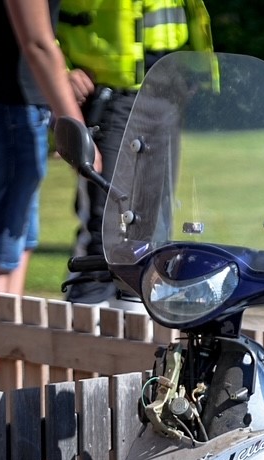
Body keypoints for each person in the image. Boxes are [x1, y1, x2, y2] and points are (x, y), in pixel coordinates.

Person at [56, 0, 213, 306]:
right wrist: (60, 71)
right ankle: (80, 340)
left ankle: (135, 340)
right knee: (106, 234)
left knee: (151, 233)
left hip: (167, 88)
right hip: (111, 96)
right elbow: (30, 18)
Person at [0, 0, 100, 296]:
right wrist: (76, 131)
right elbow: (38, 44)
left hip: (5, 102)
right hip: (2, 104)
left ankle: (4, 339)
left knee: (19, 241)